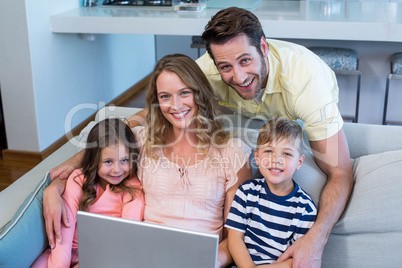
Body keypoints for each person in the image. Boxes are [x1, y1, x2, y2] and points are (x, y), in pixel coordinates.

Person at [44, 54, 252, 268]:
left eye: (184, 93)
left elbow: (235, 237)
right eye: (165, 96)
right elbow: (103, 148)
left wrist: (211, 263)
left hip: (201, 260)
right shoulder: (142, 141)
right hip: (143, 257)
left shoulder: (233, 153)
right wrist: (55, 188)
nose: (176, 105)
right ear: (156, 102)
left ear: (200, 94)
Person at [194, 7, 353, 267]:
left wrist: (316, 238)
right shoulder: (209, 70)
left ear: (263, 47)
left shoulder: (306, 83)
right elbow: (161, 102)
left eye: (245, 60)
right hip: (243, 117)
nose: (239, 76)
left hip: (294, 121)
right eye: (226, 67)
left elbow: (341, 172)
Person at [33, 118, 144, 267]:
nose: (117, 170)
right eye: (108, 162)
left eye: (124, 160)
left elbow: (126, 235)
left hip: (102, 255)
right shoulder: (78, 179)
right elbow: (65, 227)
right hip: (65, 250)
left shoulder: (133, 187)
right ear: (94, 159)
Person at [225, 117, 317, 267]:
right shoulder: (246, 192)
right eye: (268, 151)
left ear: (299, 162)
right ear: (257, 156)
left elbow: (296, 259)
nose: (276, 159)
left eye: (286, 154)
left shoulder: (305, 208)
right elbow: (234, 239)